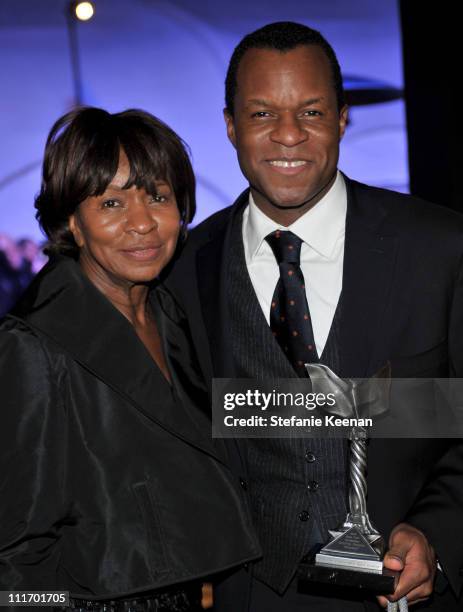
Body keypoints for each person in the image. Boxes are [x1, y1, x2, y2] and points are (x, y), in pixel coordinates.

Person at [164, 21, 463, 612]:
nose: (288, 136)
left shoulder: (441, 248)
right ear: (230, 126)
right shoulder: (183, 271)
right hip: (249, 595)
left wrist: (437, 534)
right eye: (260, 115)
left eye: (312, 113)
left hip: (403, 597)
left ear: (343, 118)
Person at [0, 107, 260, 610]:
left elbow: (236, 414)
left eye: (157, 196)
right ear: (73, 222)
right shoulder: (32, 345)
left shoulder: (173, 314)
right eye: (112, 202)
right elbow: (12, 558)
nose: (142, 222)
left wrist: (392, 406)